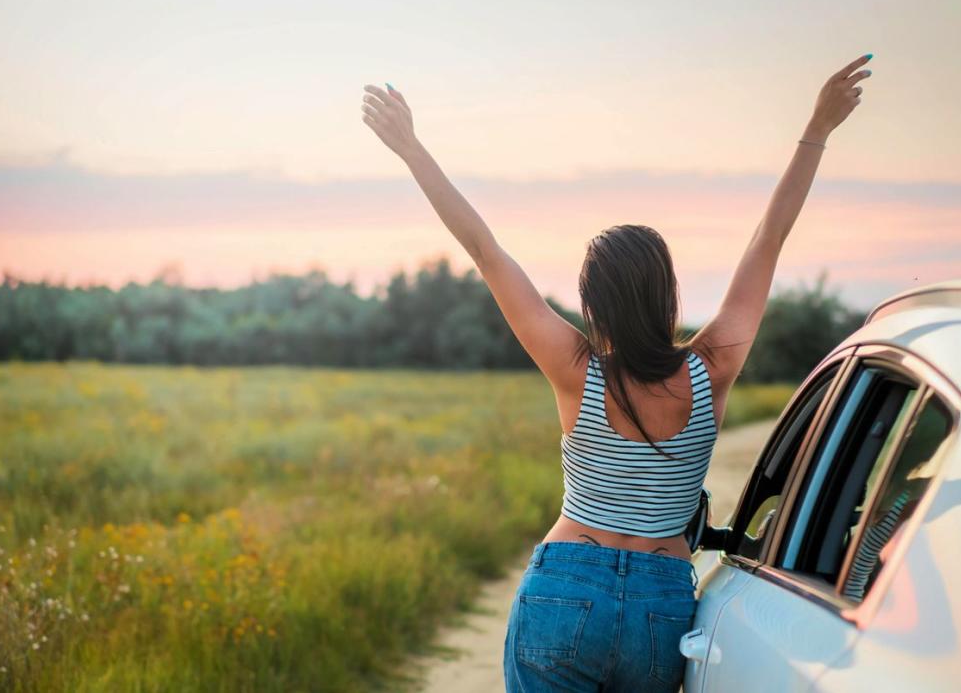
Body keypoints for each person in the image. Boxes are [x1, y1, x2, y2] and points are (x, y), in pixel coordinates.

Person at [361, 52, 873, 692]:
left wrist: (412, 150)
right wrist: (816, 131)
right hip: (660, 607)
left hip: (564, 584)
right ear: (669, 295)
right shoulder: (713, 369)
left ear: (592, 302)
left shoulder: (575, 369)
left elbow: (485, 252)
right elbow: (767, 239)